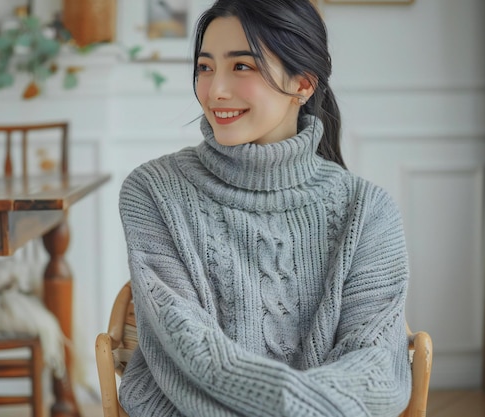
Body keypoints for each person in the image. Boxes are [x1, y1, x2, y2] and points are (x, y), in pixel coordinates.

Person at [117, 0, 412, 416]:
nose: (215, 89)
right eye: (205, 67)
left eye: (242, 66)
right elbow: (190, 349)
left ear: (303, 83)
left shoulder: (368, 210)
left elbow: (376, 365)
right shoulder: (153, 191)